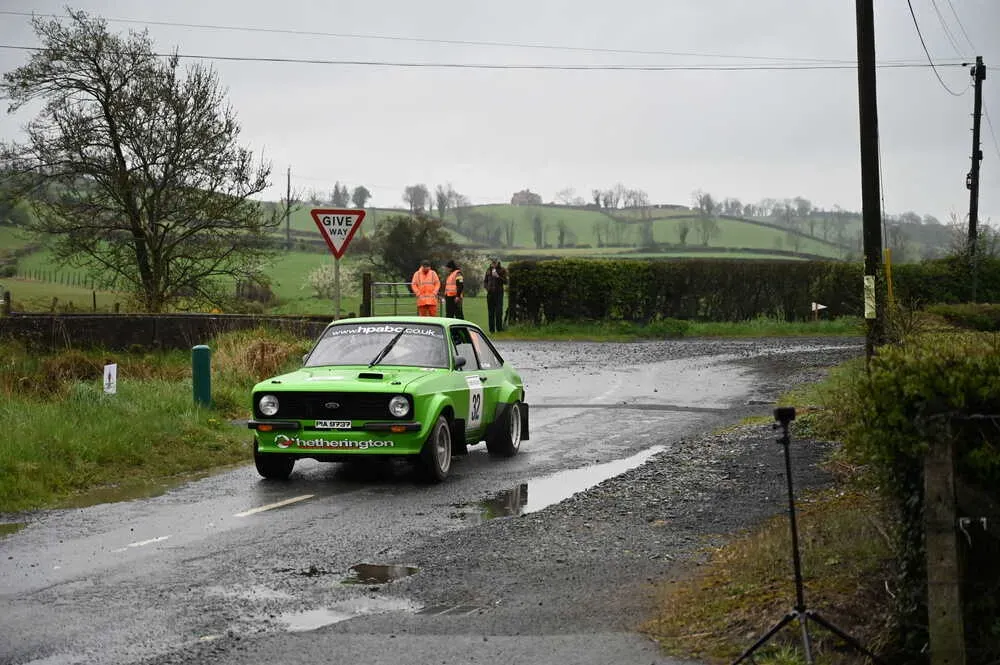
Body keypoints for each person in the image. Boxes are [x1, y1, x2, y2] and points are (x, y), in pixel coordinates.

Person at [483, 257, 508, 333]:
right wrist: (487, 288)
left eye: (495, 262)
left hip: (499, 294)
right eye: (492, 263)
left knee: (498, 312)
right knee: (491, 313)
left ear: (498, 262)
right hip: (490, 294)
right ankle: (492, 331)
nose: (493, 264)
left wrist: (498, 276)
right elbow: (485, 281)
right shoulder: (488, 270)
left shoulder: (502, 270)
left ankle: (499, 329)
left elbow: (506, 282)